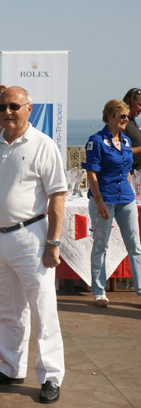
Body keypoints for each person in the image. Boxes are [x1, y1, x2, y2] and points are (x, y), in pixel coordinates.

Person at [0, 86, 66, 404]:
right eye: (1, 107)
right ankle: (10, 367)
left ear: (28, 108)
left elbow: (57, 197)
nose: (7, 111)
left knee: (42, 310)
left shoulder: (44, 145)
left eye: (14, 106)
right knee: (6, 310)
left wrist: (53, 243)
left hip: (31, 238)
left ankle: (51, 375)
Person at [81, 99, 141, 306]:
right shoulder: (96, 141)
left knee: (135, 246)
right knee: (100, 245)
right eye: (122, 116)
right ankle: (99, 291)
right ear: (110, 117)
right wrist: (98, 201)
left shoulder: (124, 141)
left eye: (127, 116)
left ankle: (140, 290)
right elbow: (92, 173)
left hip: (126, 198)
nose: (126, 119)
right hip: (104, 199)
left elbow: (127, 168)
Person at [122, 88, 141, 170]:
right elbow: (118, 151)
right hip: (130, 174)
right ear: (128, 102)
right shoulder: (121, 124)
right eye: (139, 104)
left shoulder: (133, 122)